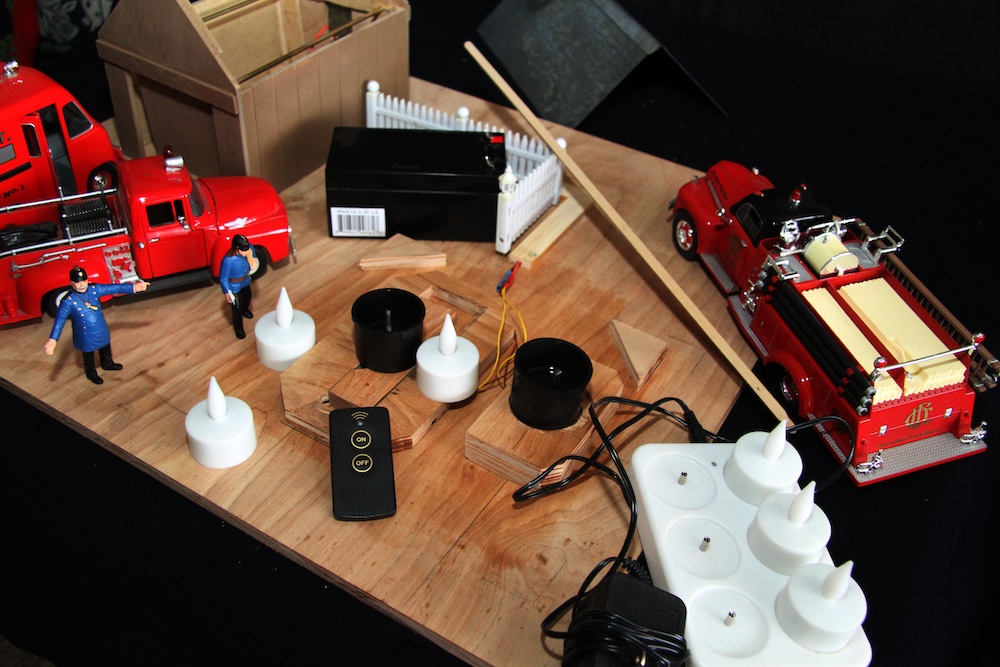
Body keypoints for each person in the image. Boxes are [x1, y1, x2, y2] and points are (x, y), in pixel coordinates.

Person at [44, 266, 150, 385]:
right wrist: (53, 339)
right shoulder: (68, 301)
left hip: (100, 328)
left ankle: (107, 363)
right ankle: (91, 372)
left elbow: (112, 288)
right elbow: (60, 321)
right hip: (84, 334)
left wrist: (133, 287)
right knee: (88, 355)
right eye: (78, 283)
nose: (82, 285)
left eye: (84, 281)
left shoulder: (94, 290)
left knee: (105, 346)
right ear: (72, 283)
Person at [219, 234, 260, 339]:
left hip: (245, 280)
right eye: (244, 251)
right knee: (236, 308)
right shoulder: (228, 260)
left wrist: (254, 260)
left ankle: (245, 309)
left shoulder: (248, 248)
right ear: (237, 249)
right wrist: (227, 292)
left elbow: (252, 254)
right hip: (233, 286)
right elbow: (223, 278)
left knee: (248, 297)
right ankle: (238, 328)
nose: (246, 253)